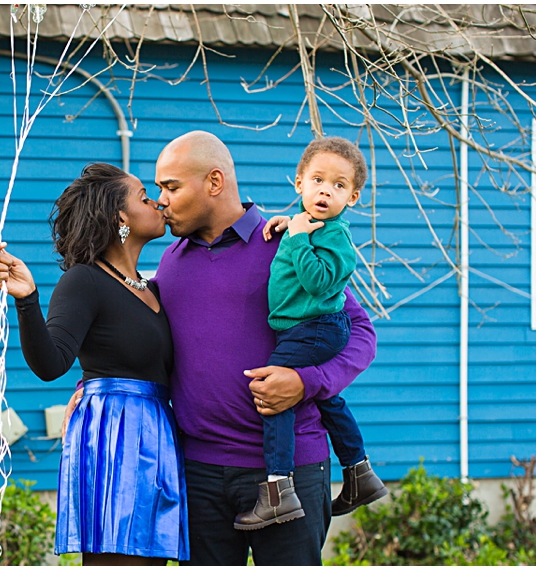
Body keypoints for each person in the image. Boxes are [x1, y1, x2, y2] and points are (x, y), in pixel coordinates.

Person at [63, 131, 377, 565]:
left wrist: (306, 382)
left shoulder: (287, 241)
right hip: (198, 472)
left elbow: (359, 332)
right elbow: (134, 335)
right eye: (157, 189)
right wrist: (96, 384)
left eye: (170, 187)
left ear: (214, 182)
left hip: (287, 472)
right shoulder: (171, 261)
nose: (161, 200)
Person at [0, 163, 189, 565]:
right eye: (143, 196)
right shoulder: (85, 280)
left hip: (158, 434)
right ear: (120, 217)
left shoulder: (153, 287)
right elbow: (52, 363)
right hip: (114, 438)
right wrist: (27, 299)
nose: (156, 203)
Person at [233, 137, 387, 531]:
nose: (325, 190)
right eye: (318, 179)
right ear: (299, 182)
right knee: (328, 398)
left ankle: (278, 490)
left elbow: (318, 282)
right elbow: (303, 239)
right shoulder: (307, 226)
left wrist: (297, 236)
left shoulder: (338, 238)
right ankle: (359, 472)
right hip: (305, 328)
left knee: (274, 391)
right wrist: (290, 225)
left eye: (339, 186)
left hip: (317, 328)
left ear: (352, 198)